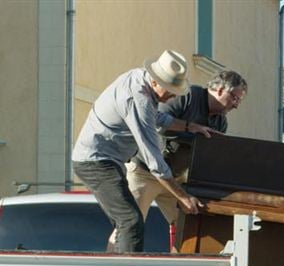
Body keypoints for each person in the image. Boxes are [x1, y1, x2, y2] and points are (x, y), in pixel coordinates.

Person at [71, 50, 213, 253]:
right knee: (131, 220)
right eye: (171, 89)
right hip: (95, 162)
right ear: (156, 82)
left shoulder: (139, 77)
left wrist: (190, 126)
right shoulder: (139, 99)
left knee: (124, 223)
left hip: (108, 160)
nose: (173, 95)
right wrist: (183, 196)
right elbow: (154, 161)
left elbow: (158, 118)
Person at [108, 70, 248, 250]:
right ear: (220, 90)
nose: (236, 105)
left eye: (239, 101)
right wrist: (192, 131)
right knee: (129, 224)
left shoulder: (221, 123)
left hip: (174, 180)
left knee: (190, 224)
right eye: (235, 98)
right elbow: (156, 124)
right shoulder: (188, 96)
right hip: (146, 171)